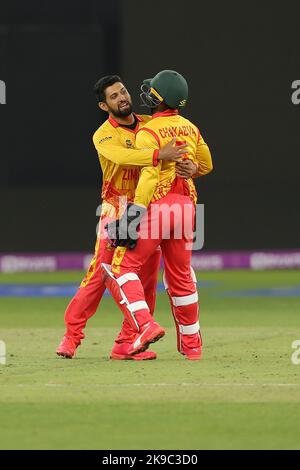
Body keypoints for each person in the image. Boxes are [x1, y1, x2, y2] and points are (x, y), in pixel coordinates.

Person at [56, 75, 193, 360]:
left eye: (123, 92)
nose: (122, 98)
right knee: (99, 274)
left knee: (145, 278)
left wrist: (190, 166)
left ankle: (127, 343)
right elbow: (122, 158)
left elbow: (183, 154)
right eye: (114, 96)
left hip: (149, 207)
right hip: (116, 208)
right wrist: (158, 154)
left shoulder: (150, 124)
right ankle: (71, 336)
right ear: (104, 106)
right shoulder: (103, 135)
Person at [102, 70, 213, 360]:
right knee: (181, 277)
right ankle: (192, 347)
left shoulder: (147, 131)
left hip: (158, 205)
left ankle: (145, 324)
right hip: (187, 206)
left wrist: (135, 212)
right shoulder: (190, 127)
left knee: (123, 267)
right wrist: (193, 170)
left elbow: (150, 174)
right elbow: (207, 163)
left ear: (155, 98)